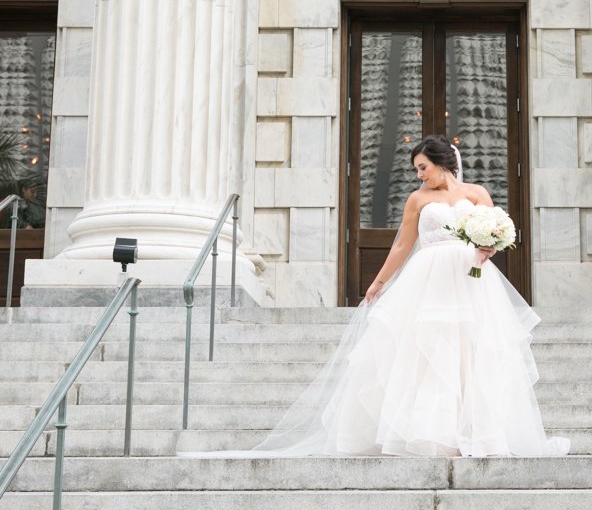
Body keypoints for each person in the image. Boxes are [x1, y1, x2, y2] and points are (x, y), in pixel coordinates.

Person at [189, 134, 568, 458]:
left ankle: (479, 432)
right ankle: (434, 435)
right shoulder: (418, 200)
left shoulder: (477, 193)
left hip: (472, 277)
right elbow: (404, 245)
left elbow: (497, 230)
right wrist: (379, 282)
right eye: (417, 169)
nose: (419, 175)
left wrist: (491, 247)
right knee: (429, 351)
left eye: (423, 167)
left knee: (474, 350)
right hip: (431, 276)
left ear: (441, 164)